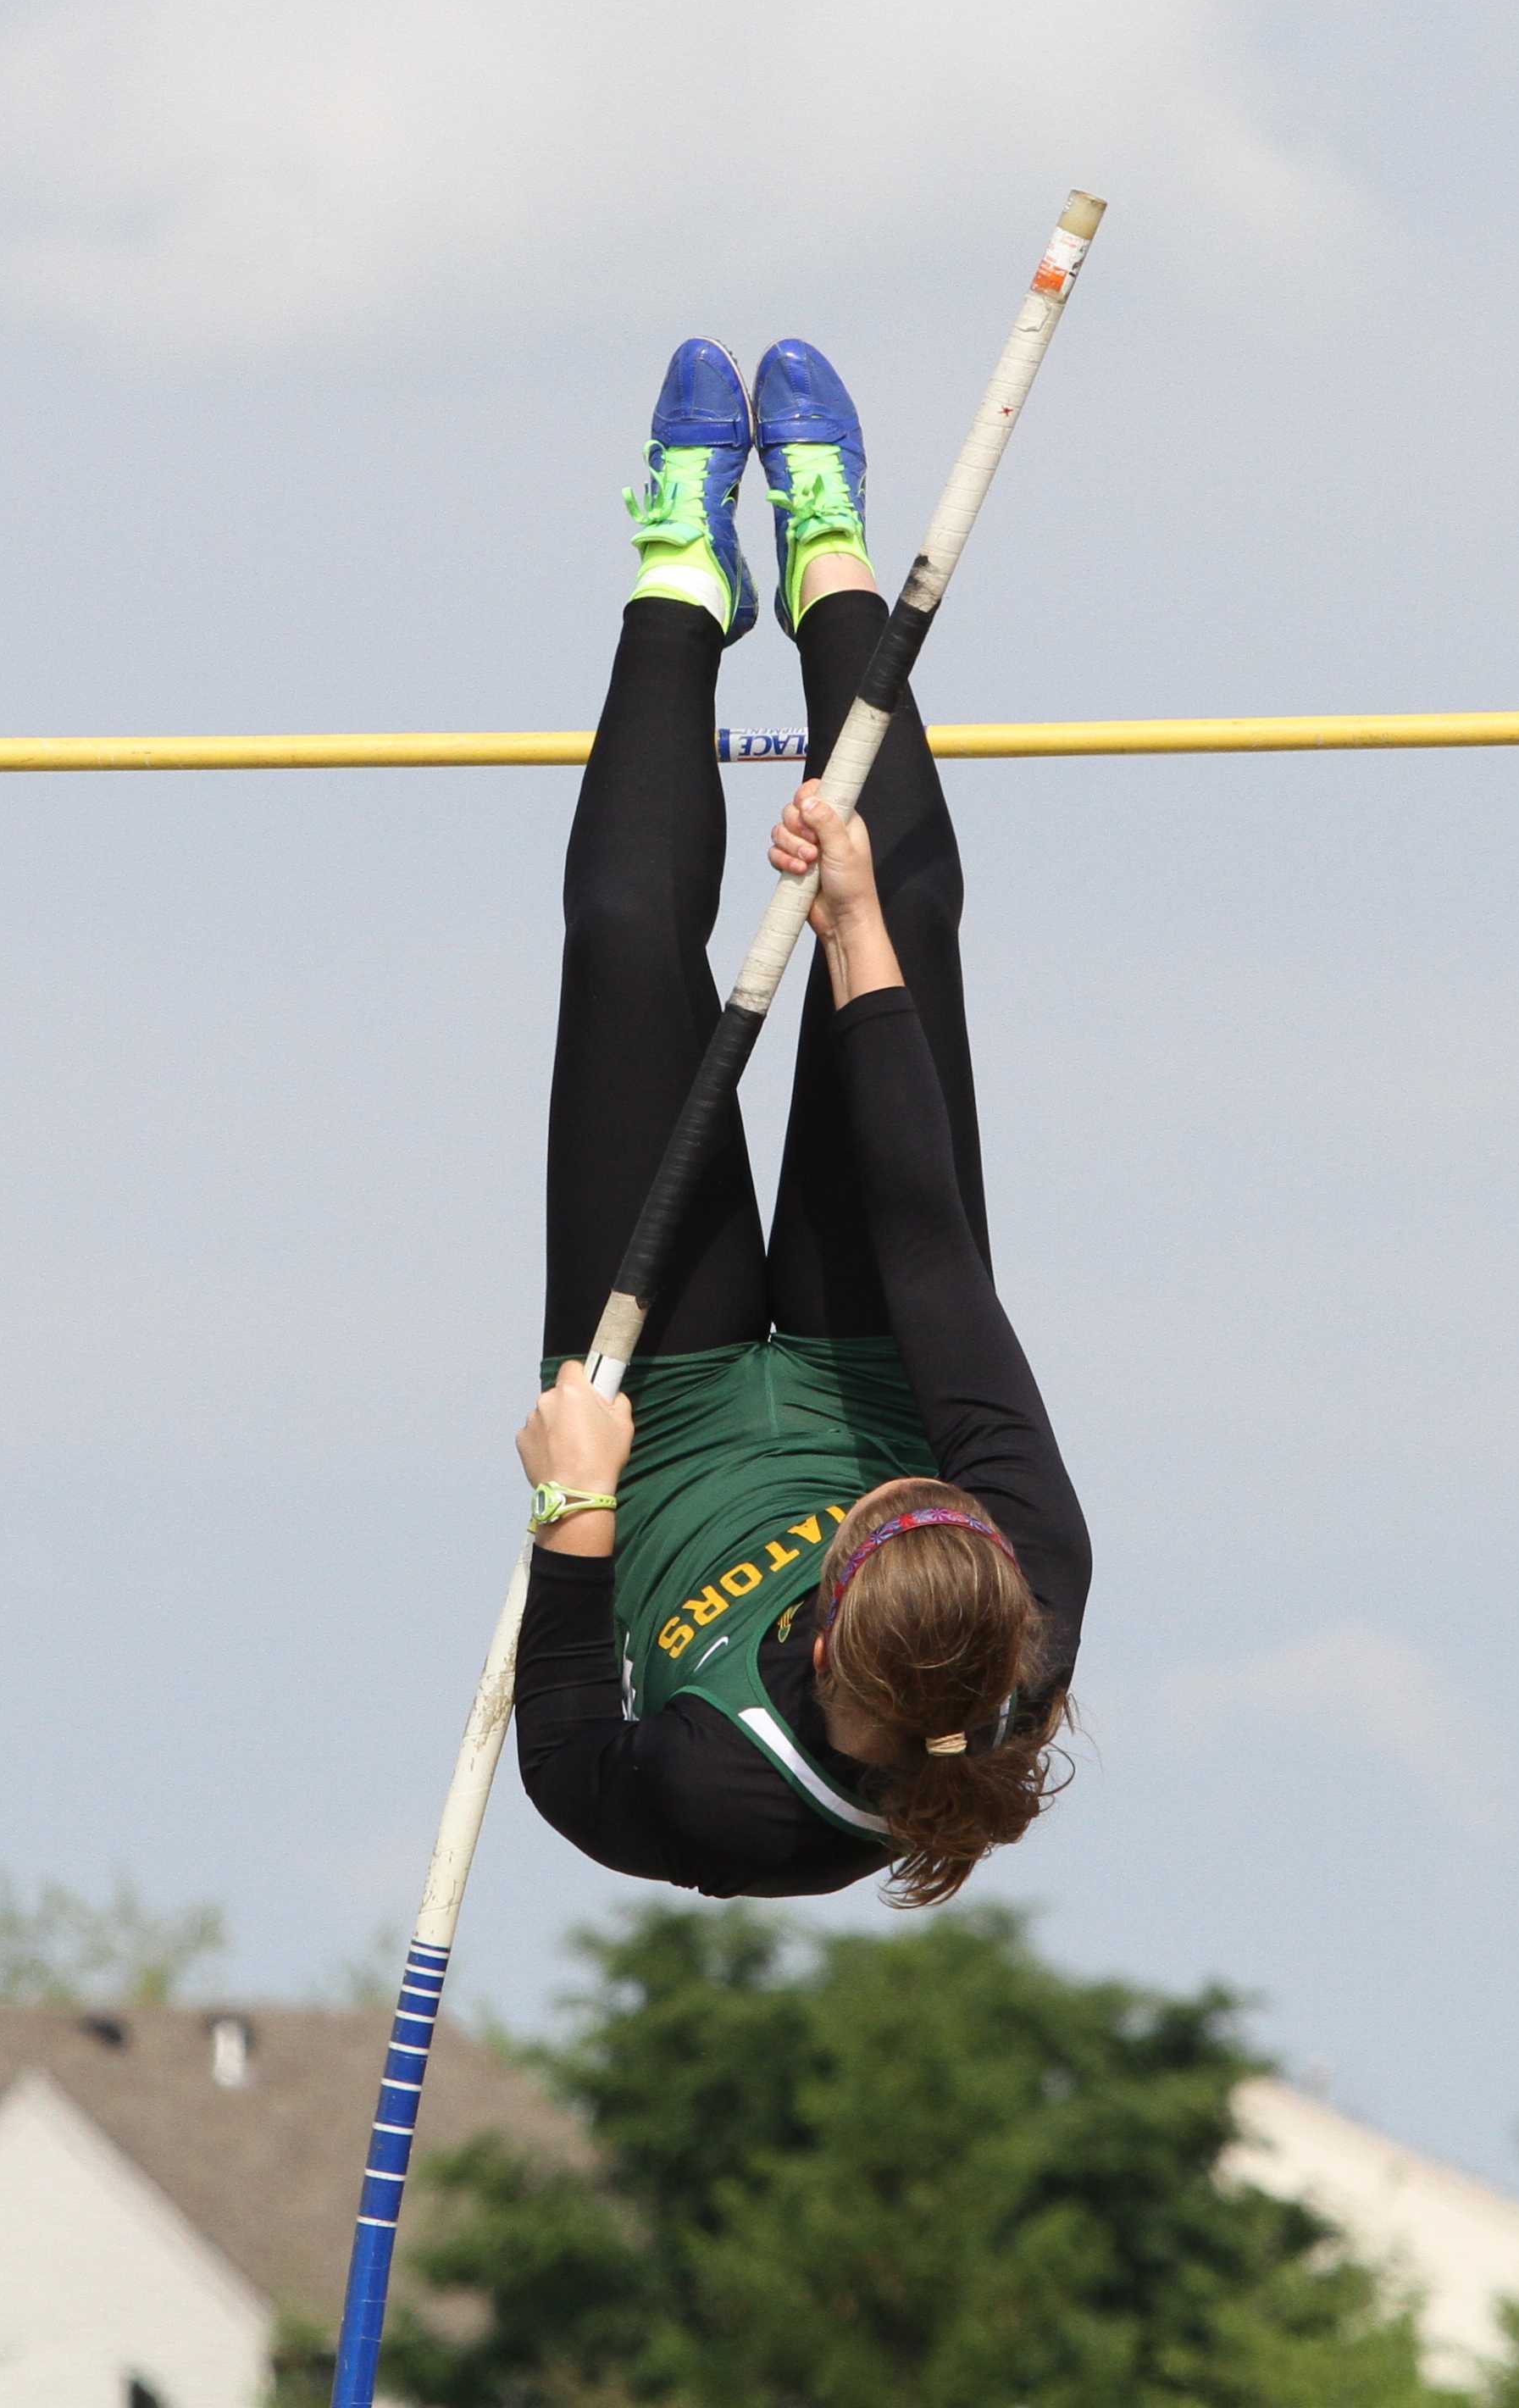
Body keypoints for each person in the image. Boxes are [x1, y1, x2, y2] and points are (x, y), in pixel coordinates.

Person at [510, 334, 1090, 1906]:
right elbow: (935, 1252)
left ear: (825, 1637)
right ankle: (834, 553)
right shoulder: (1032, 1578)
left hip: (668, 1415)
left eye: (856, 1540)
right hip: (872, 1351)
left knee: (631, 935)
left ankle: (681, 579)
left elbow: (564, 1757)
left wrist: (577, 1506)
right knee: (906, 896)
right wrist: (854, 934)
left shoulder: (726, 1804)